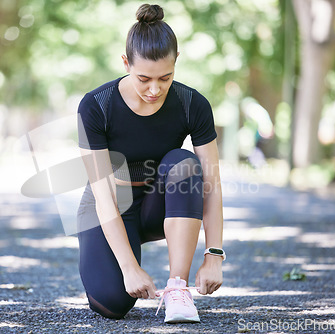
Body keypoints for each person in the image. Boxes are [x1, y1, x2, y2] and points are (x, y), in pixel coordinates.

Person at [76, 3, 224, 324]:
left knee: (185, 163)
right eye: (144, 78)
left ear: (176, 64)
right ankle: (113, 264)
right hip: (111, 204)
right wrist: (130, 268)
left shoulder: (192, 104)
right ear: (125, 62)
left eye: (165, 78)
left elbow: (211, 183)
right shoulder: (96, 106)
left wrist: (214, 255)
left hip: (159, 204)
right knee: (113, 304)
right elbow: (103, 198)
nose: (154, 89)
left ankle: (177, 288)